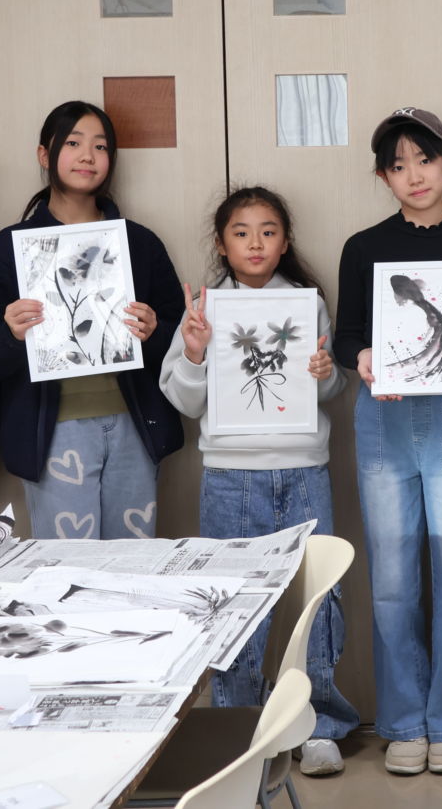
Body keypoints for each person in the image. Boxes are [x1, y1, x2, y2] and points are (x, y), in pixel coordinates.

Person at [332, 107, 442, 776]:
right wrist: (364, 358)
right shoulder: (363, 247)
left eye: (425, 160)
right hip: (384, 419)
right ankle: (404, 720)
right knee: (392, 575)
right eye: (398, 165)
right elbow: (349, 334)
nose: (414, 175)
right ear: (383, 175)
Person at [158, 185, 357, 776]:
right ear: (222, 244)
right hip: (230, 476)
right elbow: (183, 400)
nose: (255, 243)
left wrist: (324, 372)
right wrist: (195, 353)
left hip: (304, 469)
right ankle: (240, 728)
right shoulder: (205, 308)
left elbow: (331, 389)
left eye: (268, 232)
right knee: (236, 603)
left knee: (318, 599)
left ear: (285, 241)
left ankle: (319, 726)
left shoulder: (305, 304)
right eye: (241, 233)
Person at [0, 101, 183, 539]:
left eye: (100, 147)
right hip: (53, 433)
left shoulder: (138, 243)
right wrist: (11, 334)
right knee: (67, 565)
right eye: (73, 143)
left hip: (134, 427)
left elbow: (182, 339)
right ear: (44, 155)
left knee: (133, 562)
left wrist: (154, 331)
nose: (88, 156)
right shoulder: (12, 247)